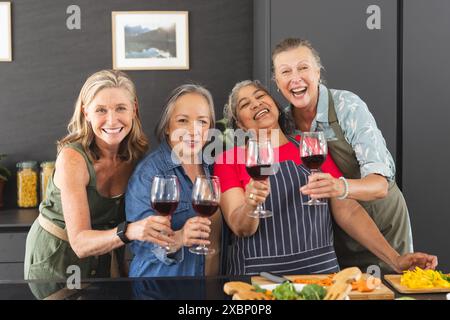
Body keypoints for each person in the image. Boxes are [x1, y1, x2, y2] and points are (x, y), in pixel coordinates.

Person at [214, 80, 437, 275]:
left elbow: (348, 210)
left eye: (261, 96)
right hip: (258, 279)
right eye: (245, 104)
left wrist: (395, 260)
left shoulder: (310, 147)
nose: (256, 103)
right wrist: (252, 204)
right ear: (240, 123)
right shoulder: (229, 159)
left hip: (321, 275)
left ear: (274, 105)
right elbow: (240, 227)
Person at [24, 70, 170, 298]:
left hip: (105, 257)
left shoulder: (137, 157)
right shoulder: (73, 158)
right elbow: (81, 244)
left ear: (134, 109)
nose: (112, 120)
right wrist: (130, 231)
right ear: (86, 113)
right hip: (57, 261)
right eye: (101, 110)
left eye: (121, 108)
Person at [272, 38, 413, 272]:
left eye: (303, 68)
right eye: (285, 71)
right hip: (336, 235)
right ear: (277, 82)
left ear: (318, 72)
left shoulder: (347, 106)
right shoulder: (284, 125)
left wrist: (339, 187)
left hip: (384, 227)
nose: (295, 78)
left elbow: (379, 186)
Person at [126, 84, 222, 277]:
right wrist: (179, 238)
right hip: (160, 290)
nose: (193, 130)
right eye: (183, 121)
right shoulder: (150, 173)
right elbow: (139, 244)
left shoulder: (212, 167)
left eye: (202, 121)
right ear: (168, 127)